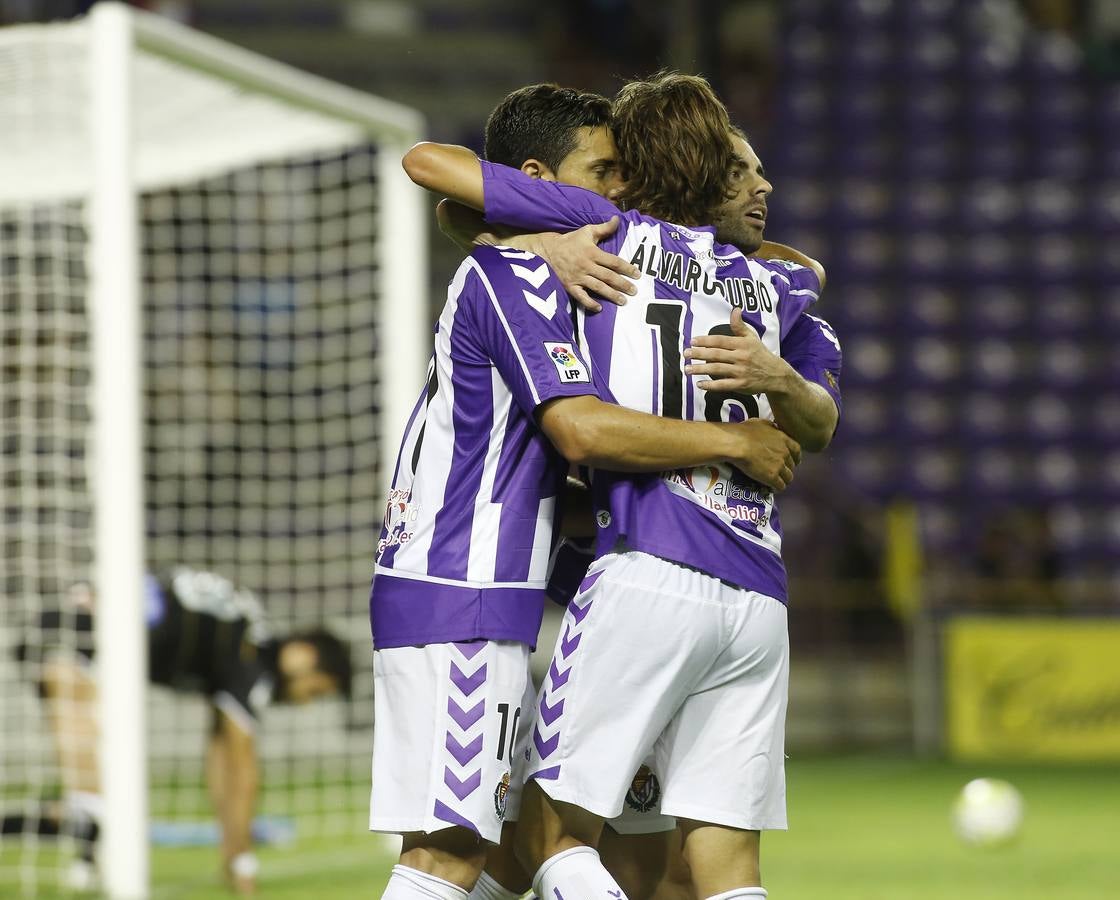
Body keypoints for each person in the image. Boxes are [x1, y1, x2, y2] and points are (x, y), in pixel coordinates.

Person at [402, 71, 841, 900]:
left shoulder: (608, 230)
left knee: (546, 835)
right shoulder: (780, 289)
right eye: (742, 170)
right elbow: (808, 272)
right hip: (758, 597)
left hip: (648, 569)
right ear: (711, 178)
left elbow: (436, 176)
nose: (763, 187)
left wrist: (534, 239)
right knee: (725, 868)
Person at [10, 566, 352, 894]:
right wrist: (243, 859)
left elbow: (220, 755)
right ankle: (86, 834)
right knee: (93, 789)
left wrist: (232, 848)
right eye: (315, 691)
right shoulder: (251, 659)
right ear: (303, 656)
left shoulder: (239, 634)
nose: (306, 703)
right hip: (91, 627)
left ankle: (85, 847)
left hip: (76, 617)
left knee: (94, 788)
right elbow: (240, 768)